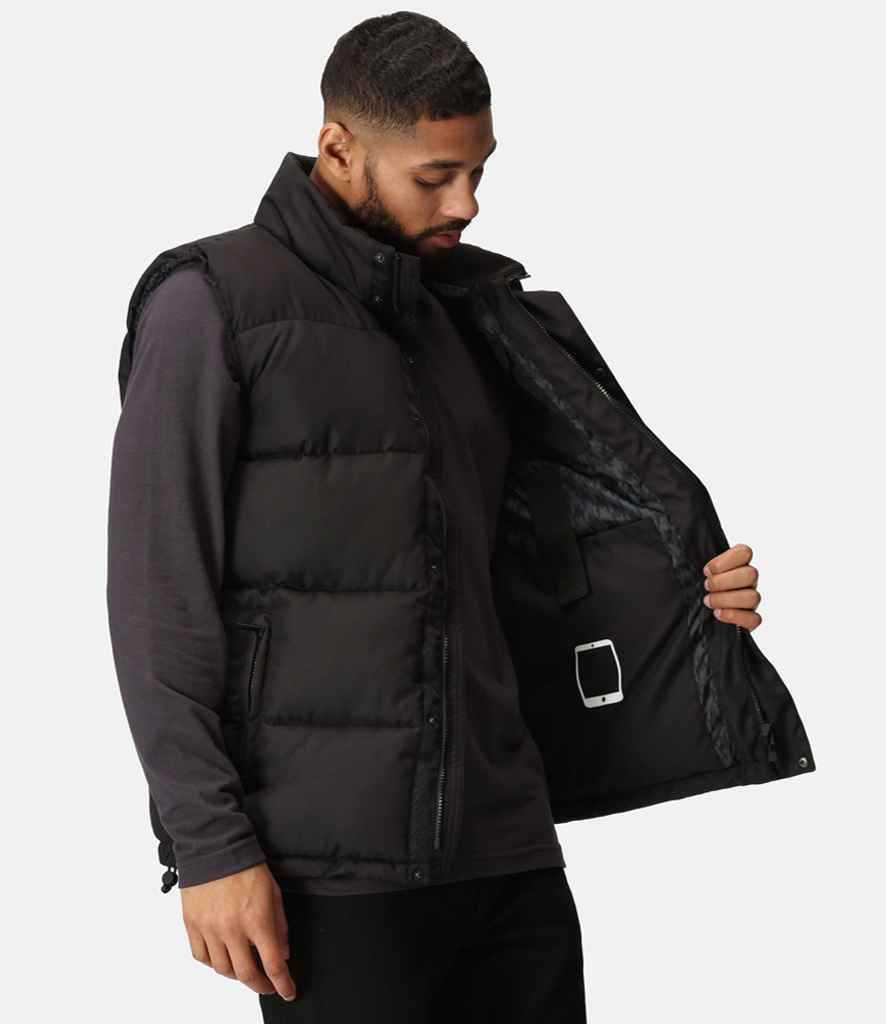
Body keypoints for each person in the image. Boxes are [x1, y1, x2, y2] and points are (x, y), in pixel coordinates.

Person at [108, 12, 791, 1023]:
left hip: (507, 847)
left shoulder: (472, 312)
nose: (466, 202)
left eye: (478, 171)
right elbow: (158, 592)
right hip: (331, 867)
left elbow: (524, 557)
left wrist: (678, 589)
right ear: (338, 146)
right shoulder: (213, 303)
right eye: (434, 175)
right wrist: (208, 845)